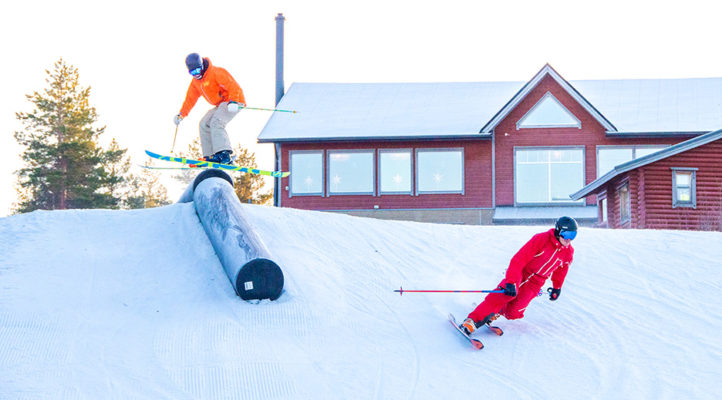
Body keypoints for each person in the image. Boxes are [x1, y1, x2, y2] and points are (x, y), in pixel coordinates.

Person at [460, 216, 577, 335]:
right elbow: (519, 259)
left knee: (514, 313)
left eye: (573, 236)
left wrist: (557, 287)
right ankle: (472, 320)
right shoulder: (542, 239)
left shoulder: (568, 252)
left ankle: (495, 311)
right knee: (506, 294)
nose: (569, 239)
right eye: (566, 235)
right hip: (522, 272)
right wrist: (511, 281)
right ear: (558, 231)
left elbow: (561, 271)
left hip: (536, 283)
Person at [173, 53, 246, 165]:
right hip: (221, 105)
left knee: (216, 122)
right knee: (204, 123)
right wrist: (181, 114)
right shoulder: (195, 83)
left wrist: (234, 101)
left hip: (233, 101)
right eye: (192, 72)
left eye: (198, 70)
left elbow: (233, 86)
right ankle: (211, 156)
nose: (196, 74)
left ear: (202, 65)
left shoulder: (216, 72)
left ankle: (223, 153)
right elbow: (190, 100)